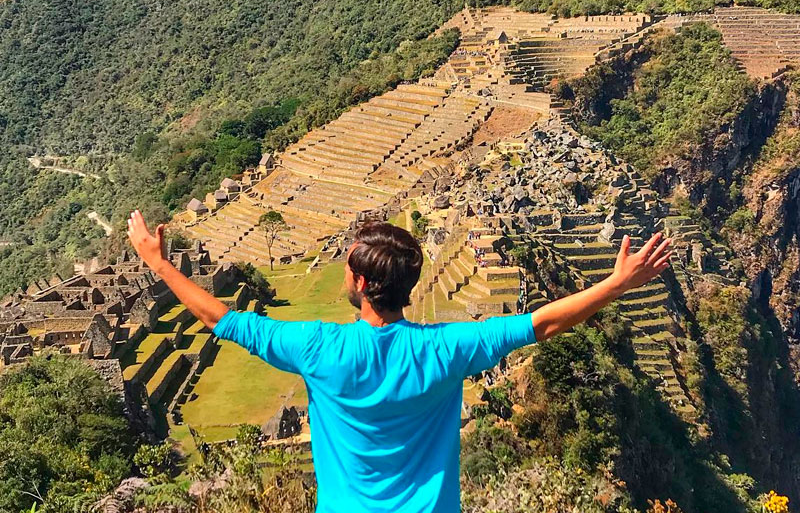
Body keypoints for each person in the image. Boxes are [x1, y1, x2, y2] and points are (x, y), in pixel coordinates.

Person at [127, 210, 671, 513]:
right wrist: (617, 283)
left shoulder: (319, 348)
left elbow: (219, 319)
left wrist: (158, 263)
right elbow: (543, 323)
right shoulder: (447, 349)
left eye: (346, 271)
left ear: (362, 284)